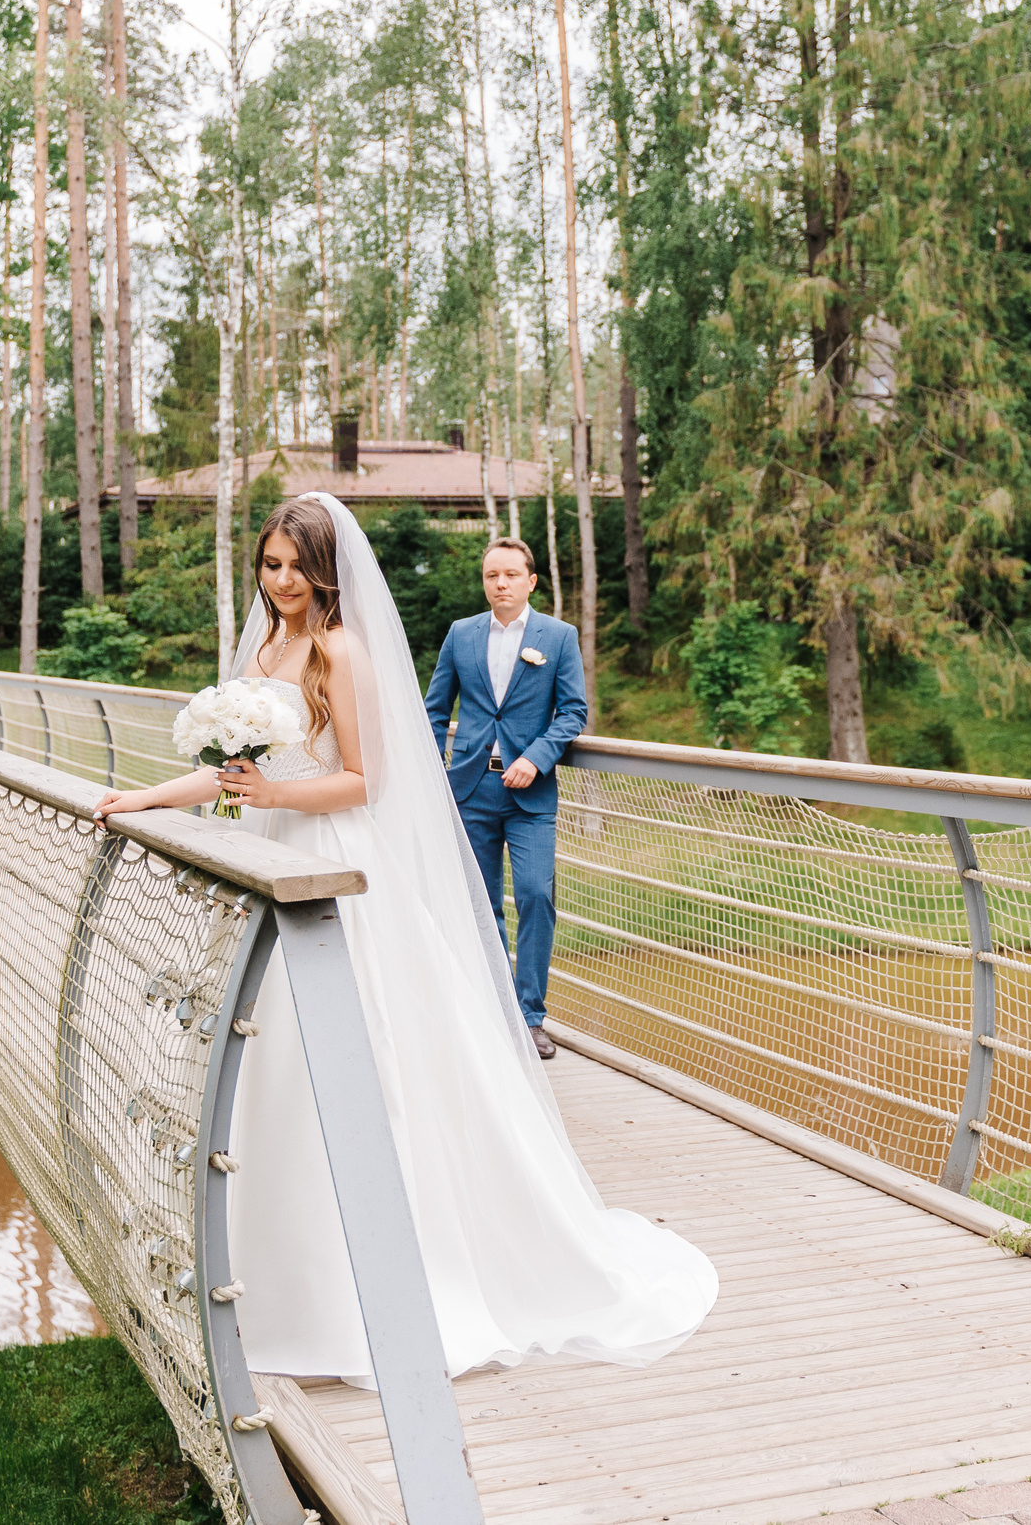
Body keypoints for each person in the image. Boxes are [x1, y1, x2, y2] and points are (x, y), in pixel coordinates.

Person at [91, 494, 716, 1384]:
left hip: (338, 869)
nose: (280, 583)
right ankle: (266, 1284)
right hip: (269, 861)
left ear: (326, 573)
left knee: (361, 1063)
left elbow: (361, 780)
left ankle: (373, 1288)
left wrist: (269, 797)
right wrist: (144, 797)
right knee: (267, 1067)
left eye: (295, 569)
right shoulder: (266, 646)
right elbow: (235, 770)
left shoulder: (342, 651)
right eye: (269, 566)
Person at [422, 538, 585, 1059]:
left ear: (531, 581)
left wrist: (535, 757)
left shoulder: (558, 637)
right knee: (481, 903)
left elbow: (573, 713)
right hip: (469, 788)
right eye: (492, 575)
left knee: (536, 895)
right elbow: (433, 708)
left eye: (512, 575)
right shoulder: (460, 634)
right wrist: (430, 773)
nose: (501, 584)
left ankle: (531, 1016)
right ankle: (497, 1011)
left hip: (530, 792)